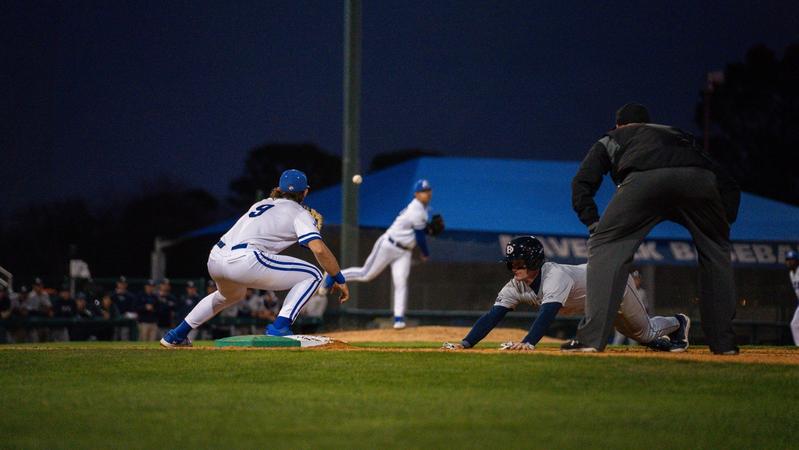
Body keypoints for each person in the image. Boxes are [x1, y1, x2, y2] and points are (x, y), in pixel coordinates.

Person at [568, 103, 740, 355]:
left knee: (605, 245)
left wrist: (593, 223)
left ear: (619, 124)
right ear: (648, 122)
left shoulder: (614, 136)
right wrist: (722, 224)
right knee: (716, 252)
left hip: (644, 181)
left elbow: (582, 182)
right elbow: (727, 181)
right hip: (699, 180)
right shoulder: (676, 134)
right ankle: (724, 345)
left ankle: (591, 340)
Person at [160, 169, 349, 347]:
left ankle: (177, 335)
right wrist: (338, 276)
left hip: (216, 258)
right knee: (313, 274)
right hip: (245, 260)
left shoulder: (261, 204)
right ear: (305, 192)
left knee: (230, 295)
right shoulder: (300, 214)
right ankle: (280, 327)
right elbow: (319, 249)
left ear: (279, 189)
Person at [442, 236, 689, 352]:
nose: (514, 266)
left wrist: (528, 342)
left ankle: (679, 321)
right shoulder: (515, 285)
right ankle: (670, 328)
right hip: (593, 300)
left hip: (613, 284)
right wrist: (466, 343)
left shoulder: (554, 275)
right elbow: (493, 316)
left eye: (518, 261)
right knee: (643, 337)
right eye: (511, 262)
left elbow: (548, 314)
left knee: (644, 333)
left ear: (533, 260)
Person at [319, 179, 434, 329]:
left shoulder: (423, 209)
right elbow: (419, 236)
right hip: (389, 244)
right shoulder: (416, 209)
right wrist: (425, 253)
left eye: (428, 190)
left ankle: (399, 318)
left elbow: (418, 231)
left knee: (400, 283)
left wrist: (428, 229)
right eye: (423, 191)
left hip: (404, 251)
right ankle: (333, 275)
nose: (427, 193)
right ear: (416, 194)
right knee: (366, 274)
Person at [611, 269, 649, 345]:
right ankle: (612, 355)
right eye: (634, 279)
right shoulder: (624, 290)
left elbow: (646, 308)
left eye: (637, 279)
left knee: (633, 341)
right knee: (618, 338)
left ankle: (633, 355)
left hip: (635, 319)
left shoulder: (642, 292)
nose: (636, 281)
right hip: (623, 318)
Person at [786, 250, 799, 346]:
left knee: (794, 324)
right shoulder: (791, 274)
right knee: (794, 324)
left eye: (792, 260)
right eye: (788, 260)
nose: (789, 262)